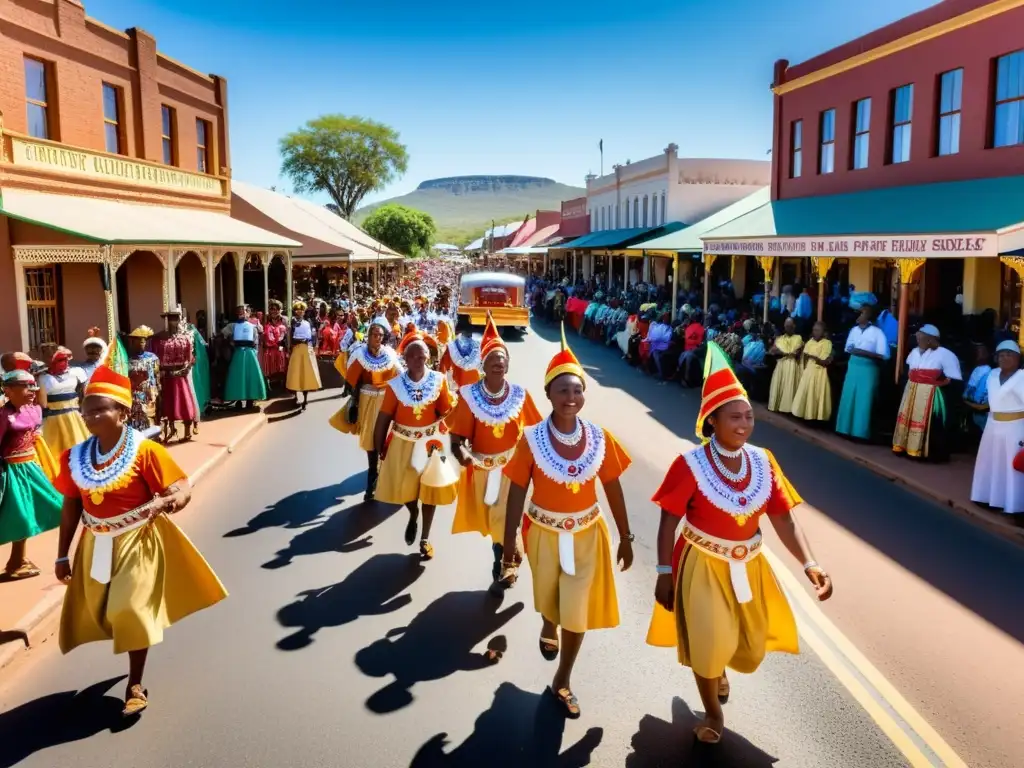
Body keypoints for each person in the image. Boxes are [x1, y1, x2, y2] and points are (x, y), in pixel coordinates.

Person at [646, 342, 833, 743]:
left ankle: (719, 671)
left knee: (743, 643)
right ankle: (713, 714)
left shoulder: (764, 460)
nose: (744, 424)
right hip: (701, 565)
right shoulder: (689, 464)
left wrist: (810, 563)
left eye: (749, 416)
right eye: (734, 417)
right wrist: (664, 571)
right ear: (712, 421)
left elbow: (782, 517)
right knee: (708, 638)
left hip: (749, 566)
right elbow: (668, 522)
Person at [54, 338, 227, 716]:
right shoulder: (75, 457)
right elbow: (71, 504)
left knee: (131, 610)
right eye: (86, 411)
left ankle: (135, 683)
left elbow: (181, 488)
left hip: (137, 540)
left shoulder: (145, 450)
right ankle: (129, 653)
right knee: (102, 612)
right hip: (94, 542)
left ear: (122, 412)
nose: (90, 417)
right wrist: (61, 554)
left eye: (99, 410)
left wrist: (170, 500)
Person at [498, 326, 634, 719]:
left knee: (576, 610)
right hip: (542, 534)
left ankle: (563, 679)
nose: (571, 398)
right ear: (548, 395)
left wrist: (625, 537)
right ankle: (547, 624)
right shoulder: (531, 439)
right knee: (549, 597)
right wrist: (511, 542)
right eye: (563, 391)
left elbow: (612, 486)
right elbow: (517, 491)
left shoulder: (599, 437)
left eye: (577, 390)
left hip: (587, 536)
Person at [449, 313, 542, 587]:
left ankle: (505, 564)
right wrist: (462, 455)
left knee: (505, 519)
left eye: (502, 361)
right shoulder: (468, 396)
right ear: (483, 365)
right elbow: (456, 439)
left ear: (508, 366)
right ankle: (504, 556)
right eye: (492, 361)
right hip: (484, 471)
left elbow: (537, 433)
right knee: (496, 522)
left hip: (514, 471)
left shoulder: (520, 395)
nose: (498, 365)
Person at [373, 330, 458, 561]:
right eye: (414, 356)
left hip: (431, 445)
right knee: (407, 491)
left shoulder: (439, 381)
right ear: (406, 359)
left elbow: (446, 412)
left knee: (430, 491)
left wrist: (454, 437)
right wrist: (378, 448)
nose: (420, 360)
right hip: (403, 444)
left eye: (423, 356)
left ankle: (425, 538)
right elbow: (384, 418)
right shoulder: (395, 385)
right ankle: (413, 514)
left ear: (428, 358)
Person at [0, 355, 62, 580]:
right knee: (19, 518)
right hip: (12, 472)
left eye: (34, 386)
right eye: (26, 387)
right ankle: (16, 561)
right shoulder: (3, 416)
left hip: (31, 468)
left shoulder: (33, 411)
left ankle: (17, 560)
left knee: (54, 507)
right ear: (9, 391)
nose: (33, 390)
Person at [331, 319, 400, 501]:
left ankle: (382, 476)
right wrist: (354, 400)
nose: (377, 338)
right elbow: (351, 381)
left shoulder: (390, 355)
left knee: (388, 439)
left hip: (385, 401)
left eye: (380, 335)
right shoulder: (360, 355)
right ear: (368, 336)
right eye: (374, 334)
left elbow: (400, 375)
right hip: (367, 400)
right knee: (371, 443)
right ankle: (372, 481)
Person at [892, 324, 962, 461]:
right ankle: (906, 448)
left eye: (920, 339)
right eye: (917, 338)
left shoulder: (946, 354)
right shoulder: (914, 352)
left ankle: (928, 453)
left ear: (930, 340)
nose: (918, 341)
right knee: (907, 420)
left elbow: (954, 380)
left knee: (932, 425)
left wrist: (938, 383)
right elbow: (910, 370)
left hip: (931, 395)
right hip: (912, 391)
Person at [971, 341, 1024, 516]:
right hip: (992, 425)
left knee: (1010, 466)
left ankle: (1011, 504)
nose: (1004, 358)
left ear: (1017, 358)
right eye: (1001, 355)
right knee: (991, 462)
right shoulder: (992, 374)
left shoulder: (1022, 377)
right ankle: (988, 497)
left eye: (1009, 354)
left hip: (1014, 427)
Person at [835, 306, 890, 440]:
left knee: (863, 400)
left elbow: (885, 355)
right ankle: (844, 430)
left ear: (868, 316)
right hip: (853, 366)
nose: (858, 315)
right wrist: (855, 351)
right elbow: (848, 348)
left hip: (868, 368)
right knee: (849, 397)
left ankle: (860, 433)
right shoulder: (854, 330)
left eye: (862, 313)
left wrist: (864, 353)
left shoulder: (878, 333)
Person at [152, 307, 199, 443]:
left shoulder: (185, 339)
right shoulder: (159, 339)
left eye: (175, 319)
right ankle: (170, 429)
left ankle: (187, 431)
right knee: (167, 404)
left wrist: (184, 369)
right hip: (165, 375)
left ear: (179, 320)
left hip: (180, 375)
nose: (173, 322)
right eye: (170, 319)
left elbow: (190, 359)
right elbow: (155, 357)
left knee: (184, 402)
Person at [37, 347, 90, 456]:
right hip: (55, 420)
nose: (49, 358)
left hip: (73, 418)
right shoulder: (41, 377)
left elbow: (84, 395)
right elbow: (42, 404)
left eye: (52, 355)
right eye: (47, 356)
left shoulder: (76, 372)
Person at [223, 305, 268, 411]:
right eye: (239, 312)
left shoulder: (253, 326)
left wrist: (256, 352)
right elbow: (224, 334)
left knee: (250, 376)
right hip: (238, 352)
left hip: (250, 353)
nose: (242, 314)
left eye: (244, 312)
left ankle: (250, 400)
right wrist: (230, 341)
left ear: (248, 313)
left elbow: (256, 340)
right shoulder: (232, 326)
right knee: (237, 377)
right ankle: (238, 400)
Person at [791, 321, 834, 423]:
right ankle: (803, 415)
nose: (815, 332)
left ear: (823, 332)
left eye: (818, 330)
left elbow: (823, 361)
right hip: (809, 370)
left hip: (820, 373)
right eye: (814, 330)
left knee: (816, 394)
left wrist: (812, 357)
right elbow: (804, 357)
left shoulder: (827, 343)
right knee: (806, 392)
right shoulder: (810, 342)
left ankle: (814, 419)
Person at [286, 301, 322, 411]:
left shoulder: (308, 323)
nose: (299, 312)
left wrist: (314, 346)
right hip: (296, 350)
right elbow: (289, 337)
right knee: (295, 373)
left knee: (306, 373)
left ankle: (305, 399)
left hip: (307, 349)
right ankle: (295, 396)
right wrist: (289, 347)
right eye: (297, 309)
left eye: (301, 310)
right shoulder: (292, 323)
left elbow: (313, 335)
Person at [126, 327, 160, 432]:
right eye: (138, 341)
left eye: (143, 341)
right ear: (132, 342)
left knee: (149, 416)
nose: (141, 343)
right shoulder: (127, 359)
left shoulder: (152, 357)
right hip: (134, 393)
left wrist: (157, 390)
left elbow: (156, 375)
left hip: (148, 392)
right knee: (134, 416)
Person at [767, 317, 803, 414]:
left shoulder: (798, 338)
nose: (787, 328)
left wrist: (781, 352)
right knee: (778, 386)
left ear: (794, 326)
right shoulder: (780, 339)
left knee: (789, 387)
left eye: (790, 325)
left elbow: (795, 352)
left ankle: (787, 410)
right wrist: (782, 352)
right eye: (786, 326)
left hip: (792, 366)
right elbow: (771, 351)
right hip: (781, 365)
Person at [439, 315, 481, 392]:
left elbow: (444, 366)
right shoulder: (479, 346)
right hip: (475, 385)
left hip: (459, 385)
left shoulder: (451, 346)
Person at [963, 342, 993, 434]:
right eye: (977, 351)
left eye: (982, 351)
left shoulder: (988, 371)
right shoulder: (977, 369)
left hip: (981, 412)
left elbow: (981, 398)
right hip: (974, 411)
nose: (979, 353)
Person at [261, 300, 289, 389]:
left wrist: (288, 347)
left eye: (277, 309)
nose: (274, 311)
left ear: (280, 310)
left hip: (280, 347)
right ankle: (269, 385)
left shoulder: (284, 319)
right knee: (269, 367)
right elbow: (261, 333)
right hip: (268, 348)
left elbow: (288, 334)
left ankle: (282, 384)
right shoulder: (265, 319)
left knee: (282, 365)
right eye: (272, 309)